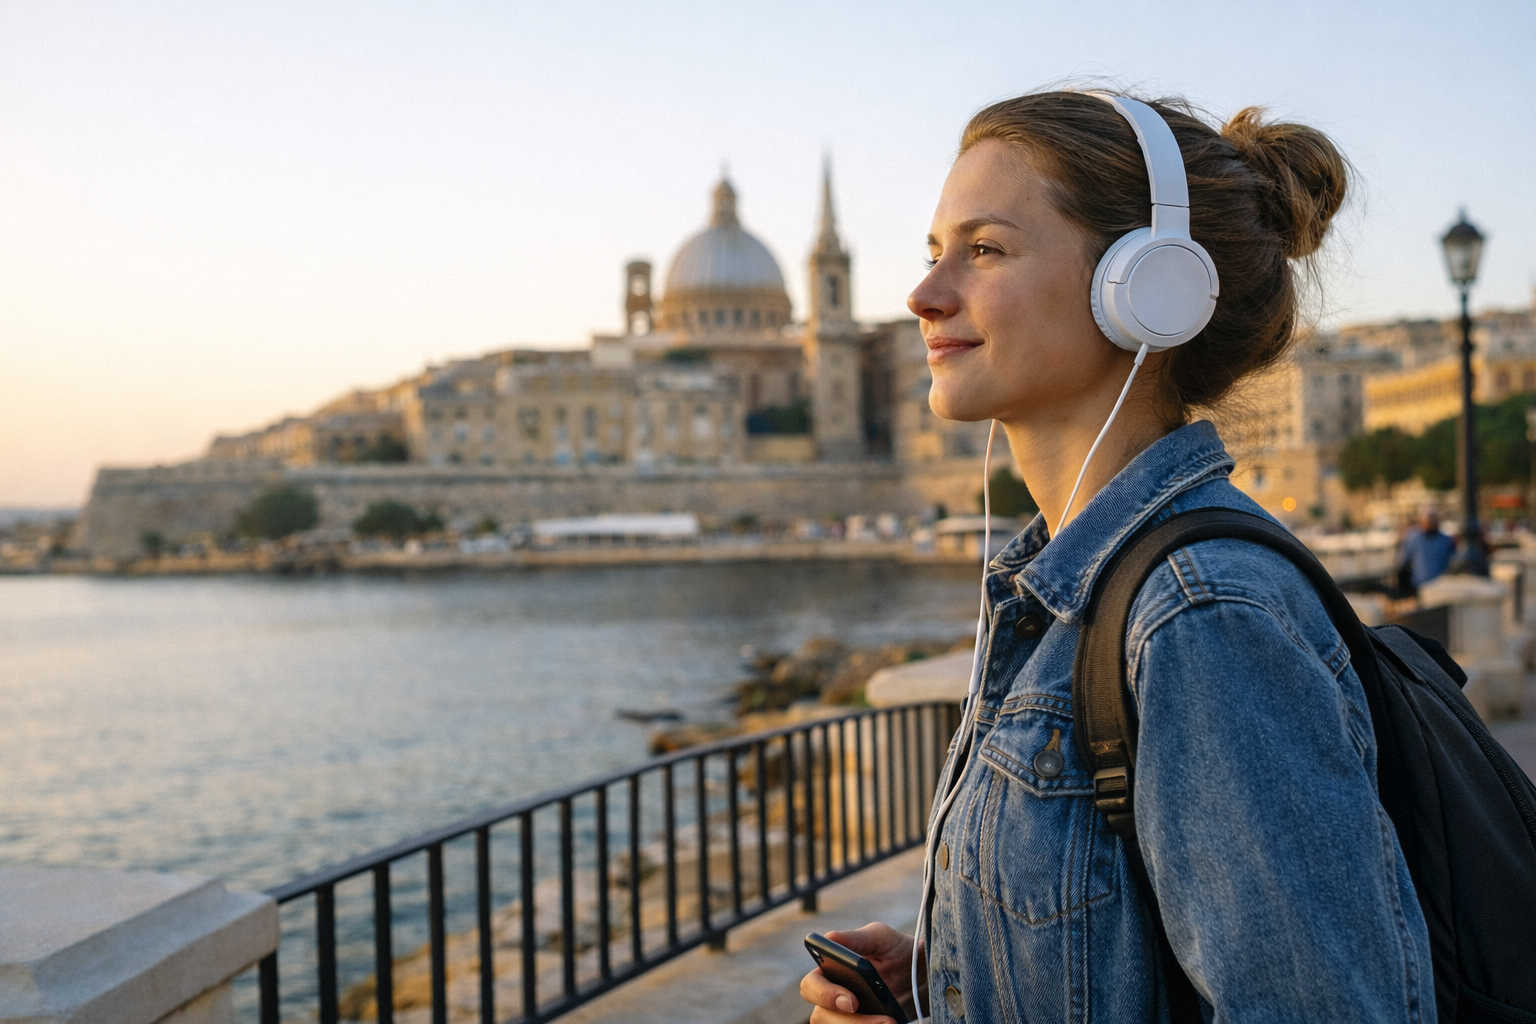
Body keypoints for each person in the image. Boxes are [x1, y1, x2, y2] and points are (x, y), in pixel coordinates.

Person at [800, 90, 1434, 1023]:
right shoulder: (1075, 590)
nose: (923, 294)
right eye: (932, 252)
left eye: (985, 250)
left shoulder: (1200, 618)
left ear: (1147, 285)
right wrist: (952, 979)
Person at [1399, 507, 1455, 595]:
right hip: (1419, 585)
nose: (1431, 521)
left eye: (1434, 518)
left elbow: (1453, 560)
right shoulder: (1414, 538)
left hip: (1441, 586)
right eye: (1428, 519)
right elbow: (1404, 560)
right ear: (1421, 521)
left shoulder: (1446, 540)